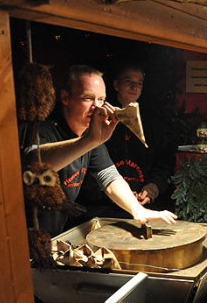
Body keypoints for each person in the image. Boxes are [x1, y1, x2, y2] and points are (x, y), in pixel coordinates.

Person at [23, 65, 176, 236]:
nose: (96, 107)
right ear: (65, 97)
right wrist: (89, 141)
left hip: (57, 232)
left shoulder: (91, 136)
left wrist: (137, 210)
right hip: (25, 235)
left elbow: (109, 177)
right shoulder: (45, 130)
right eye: (88, 98)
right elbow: (33, 162)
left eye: (101, 99)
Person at [72, 64, 176, 222]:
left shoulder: (154, 123)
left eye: (139, 83)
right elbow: (94, 172)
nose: (134, 87)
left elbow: (164, 162)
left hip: (141, 207)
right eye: (128, 81)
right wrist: (118, 196)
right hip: (101, 209)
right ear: (116, 85)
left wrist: (152, 188)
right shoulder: (98, 121)